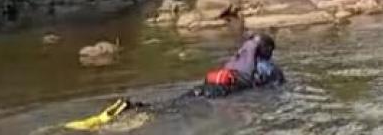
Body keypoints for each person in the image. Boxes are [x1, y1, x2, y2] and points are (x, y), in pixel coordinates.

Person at [64, 32, 284, 131]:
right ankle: (133, 110)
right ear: (267, 51)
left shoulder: (236, 60)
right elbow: (277, 87)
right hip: (221, 92)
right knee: (171, 110)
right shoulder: (269, 68)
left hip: (208, 84)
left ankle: (127, 108)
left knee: (171, 104)